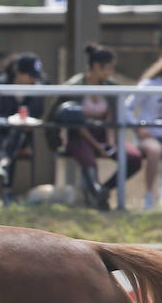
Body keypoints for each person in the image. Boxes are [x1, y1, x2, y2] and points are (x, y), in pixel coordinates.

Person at [54, 43, 143, 210]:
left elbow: (112, 116)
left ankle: (105, 190)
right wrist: (55, 141)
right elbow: (67, 118)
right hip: (80, 135)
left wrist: (109, 142)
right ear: (96, 66)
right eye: (109, 68)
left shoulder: (111, 87)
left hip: (104, 134)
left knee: (133, 158)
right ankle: (96, 193)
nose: (112, 72)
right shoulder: (75, 86)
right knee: (88, 159)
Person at [0, 52, 47, 201]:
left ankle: (4, 165)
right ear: (19, 72)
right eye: (30, 75)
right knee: (8, 139)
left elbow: (37, 114)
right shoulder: (0, 85)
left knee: (16, 135)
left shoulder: (37, 89)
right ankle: (6, 184)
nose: (33, 79)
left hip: (23, 135)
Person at [126, 36, 162, 211]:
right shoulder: (149, 84)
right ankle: (149, 195)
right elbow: (128, 107)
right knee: (154, 151)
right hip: (150, 135)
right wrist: (139, 127)